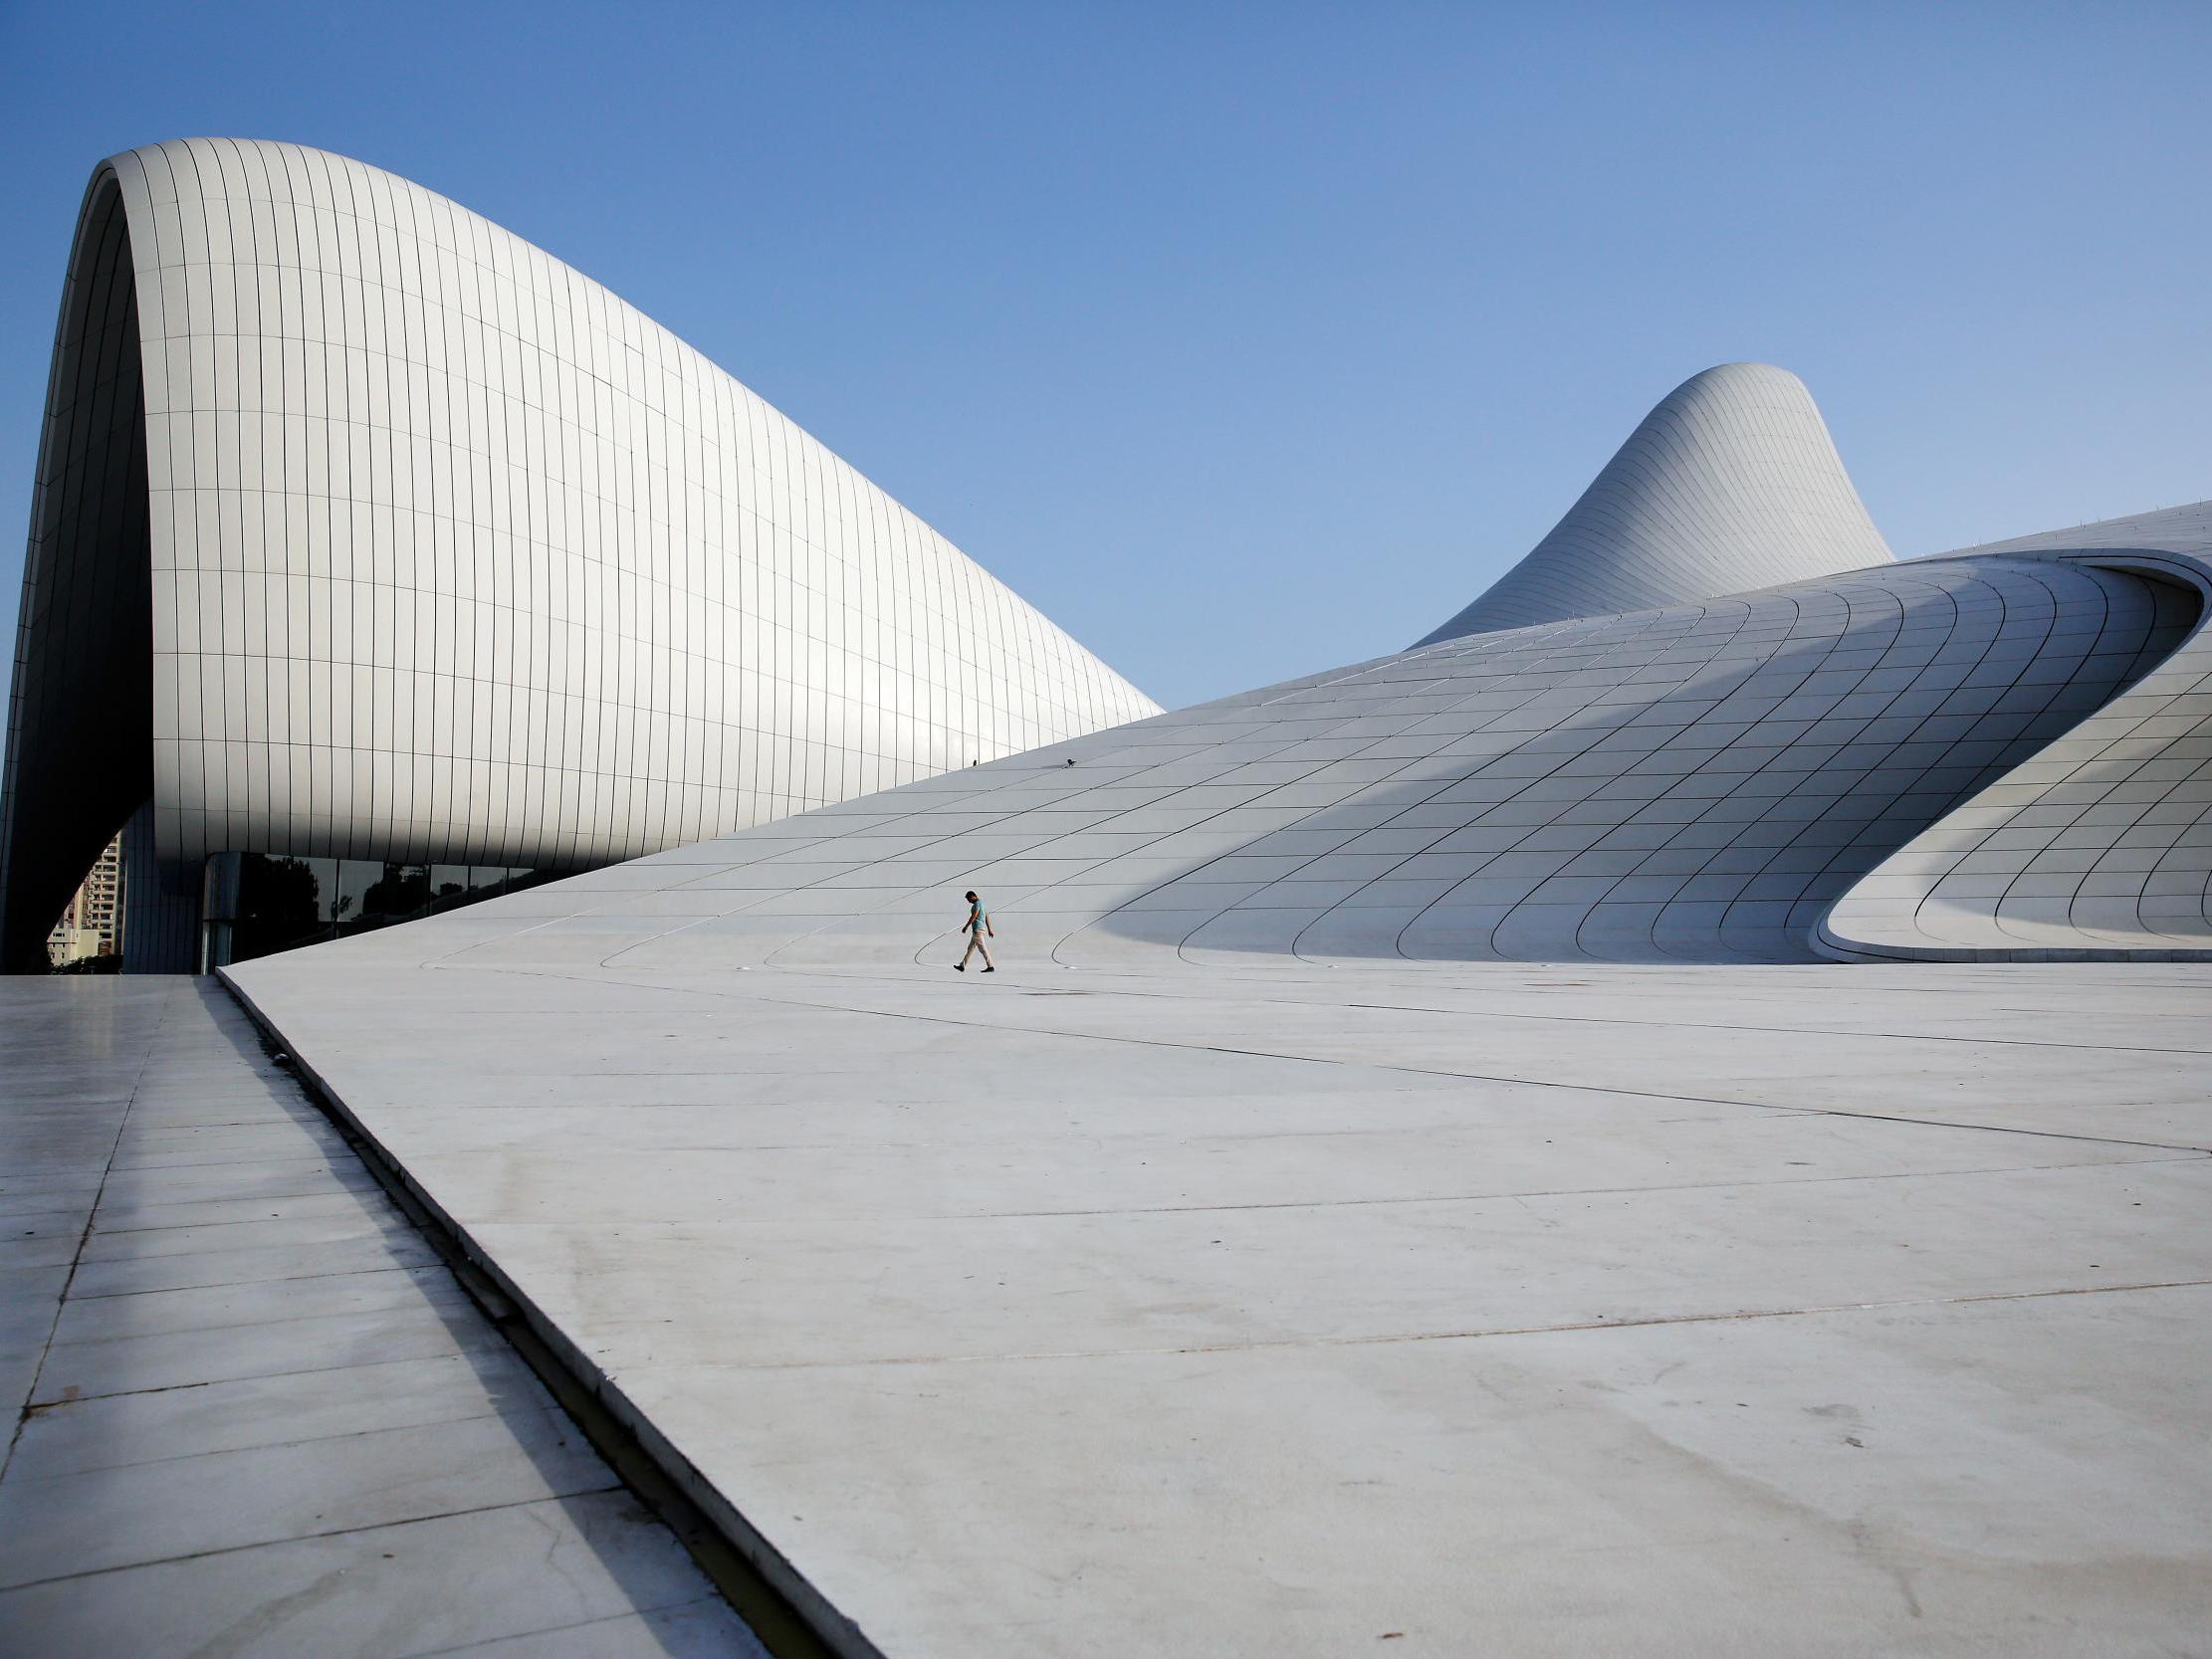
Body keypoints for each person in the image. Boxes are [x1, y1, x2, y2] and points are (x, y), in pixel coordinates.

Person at [954, 889, 995, 972]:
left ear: (972, 897)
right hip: (980, 929)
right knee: (970, 949)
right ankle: (962, 966)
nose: (969, 902)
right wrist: (989, 930)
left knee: (983, 948)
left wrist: (966, 926)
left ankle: (990, 966)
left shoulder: (976, 904)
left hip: (977, 930)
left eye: (969, 899)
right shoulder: (982, 904)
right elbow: (987, 917)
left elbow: (974, 916)